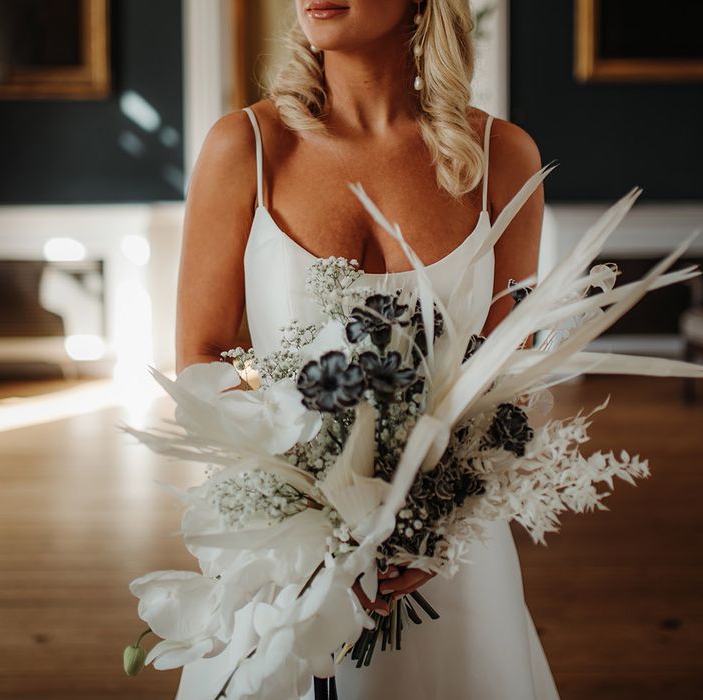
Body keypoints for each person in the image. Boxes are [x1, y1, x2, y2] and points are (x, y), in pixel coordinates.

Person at [174, 1, 558, 697]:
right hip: (284, 556)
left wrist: (433, 525)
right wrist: (308, 508)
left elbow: (511, 379)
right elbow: (201, 353)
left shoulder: (503, 158)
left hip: (450, 557)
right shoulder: (247, 149)